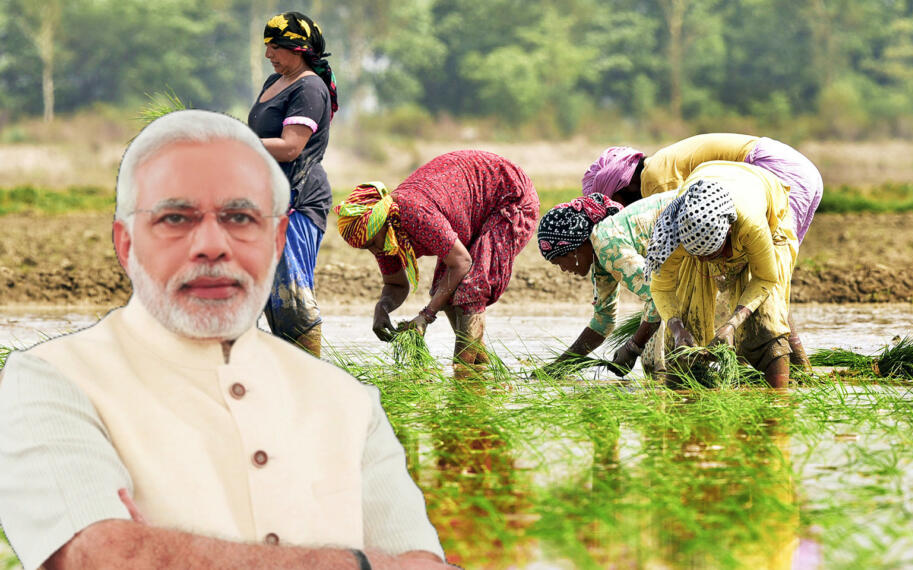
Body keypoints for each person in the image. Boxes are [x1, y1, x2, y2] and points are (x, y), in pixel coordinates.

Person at [0, 111, 447, 569]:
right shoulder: (50, 381)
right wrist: (365, 563)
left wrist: (166, 549)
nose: (212, 245)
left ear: (276, 241)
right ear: (126, 243)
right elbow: (107, 557)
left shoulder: (351, 404)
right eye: (176, 217)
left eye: (239, 217)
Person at [583, 133, 821, 368]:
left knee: (765, 278)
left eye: (613, 201)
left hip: (776, 172)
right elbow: (670, 272)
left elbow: (759, 273)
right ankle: (792, 363)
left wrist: (639, 344)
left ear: (623, 187)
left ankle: (783, 363)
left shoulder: (656, 181)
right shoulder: (662, 173)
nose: (616, 210)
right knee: (758, 275)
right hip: (780, 168)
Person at [334, 150, 539, 368]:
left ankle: (464, 377)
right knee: (446, 291)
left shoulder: (412, 213)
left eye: (372, 243)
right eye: (366, 248)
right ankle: (476, 369)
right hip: (470, 210)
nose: (375, 252)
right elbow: (395, 284)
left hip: (509, 197)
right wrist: (381, 309)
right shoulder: (385, 238)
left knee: (470, 288)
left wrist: (425, 316)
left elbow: (462, 263)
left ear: (382, 223)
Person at [645, 161, 799, 388]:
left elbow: (766, 277)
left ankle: (777, 401)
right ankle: (684, 399)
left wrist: (732, 325)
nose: (708, 262)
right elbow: (661, 287)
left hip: (765, 209)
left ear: (728, 232)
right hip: (705, 191)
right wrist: (677, 330)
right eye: (699, 256)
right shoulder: (676, 232)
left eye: (713, 254)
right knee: (687, 326)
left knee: (767, 320)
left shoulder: (751, 224)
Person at [248, 11, 339, 356]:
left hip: (298, 201)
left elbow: (290, 147)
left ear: (297, 48)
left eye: (274, 47)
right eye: (267, 47)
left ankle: (312, 378)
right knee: (272, 299)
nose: (268, 54)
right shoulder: (273, 84)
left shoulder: (310, 88)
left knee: (293, 299)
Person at [537, 192, 678, 376]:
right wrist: (556, 369)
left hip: (693, 223)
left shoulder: (606, 244)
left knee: (657, 360)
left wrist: (633, 346)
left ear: (573, 250)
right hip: (674, 263)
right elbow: (603, 321)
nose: (564, 269)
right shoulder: (600, 259)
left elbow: (659, 295)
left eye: (559, 262)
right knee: (653, 361)